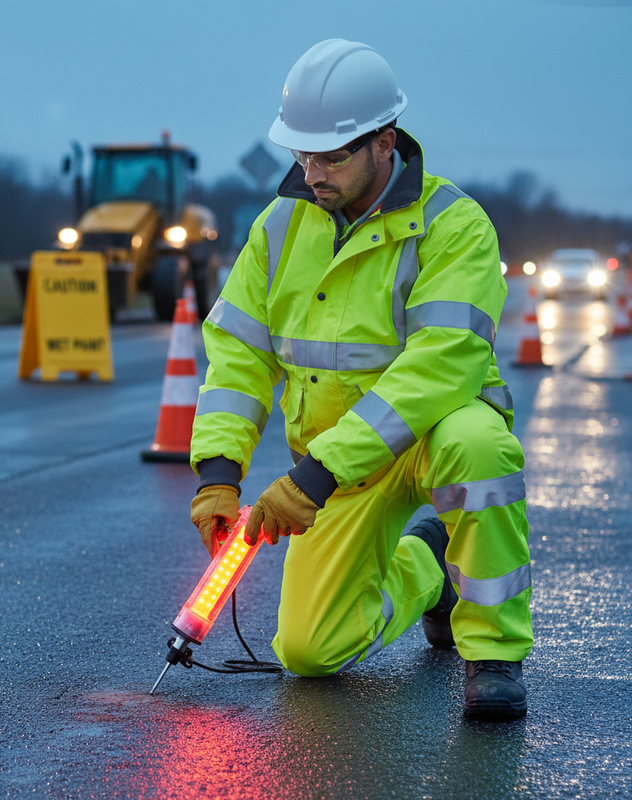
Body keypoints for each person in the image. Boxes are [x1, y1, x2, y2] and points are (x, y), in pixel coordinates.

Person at [189, 39, 532, 721]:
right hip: (341, 468)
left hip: (427, 439)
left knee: (481, 447)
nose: (311, 171)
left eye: (331, 155)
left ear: (385, 142)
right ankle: (430, 569)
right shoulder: (279, 229)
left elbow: (442, 365)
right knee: (309, 653)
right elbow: (238, 358)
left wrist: (314, 476)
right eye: (301, 153)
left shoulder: (454, 226)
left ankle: (493, 653)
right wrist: (217, 474)